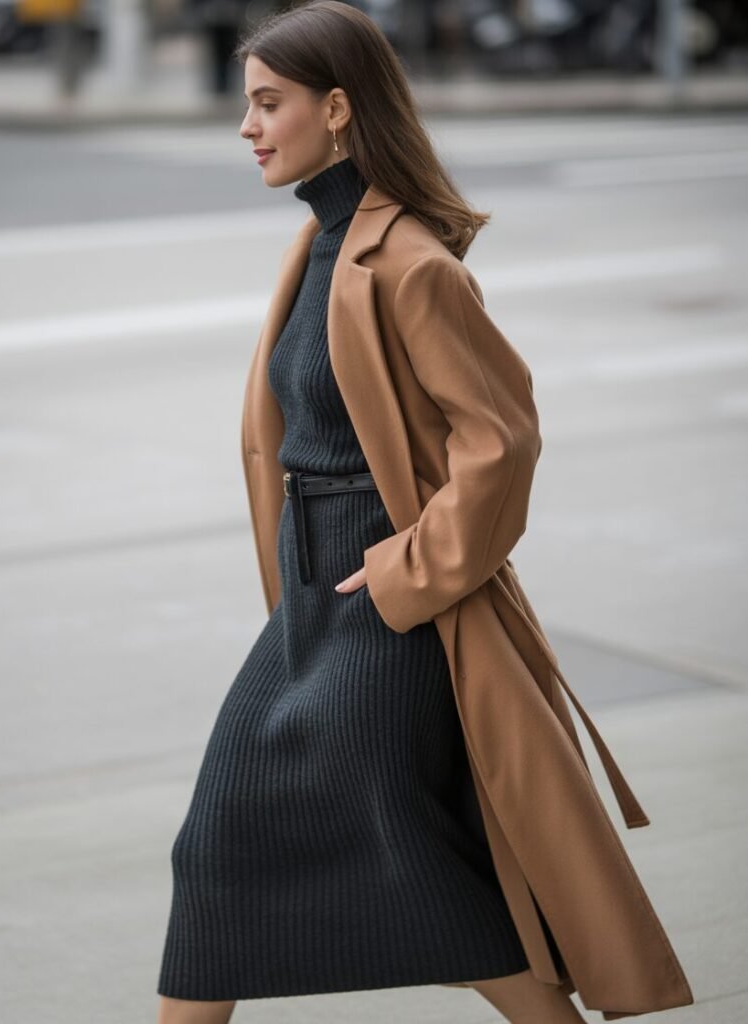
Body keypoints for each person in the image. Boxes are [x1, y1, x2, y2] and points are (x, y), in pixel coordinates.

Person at [156, 4, 692, 1024]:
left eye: (269, 103)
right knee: (318, 850)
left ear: (341, 109)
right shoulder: (314, 246)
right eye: (247, 104)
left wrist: (407, 574)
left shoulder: (407, 263)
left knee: (244, 837)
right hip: (315, 599)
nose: (247, 126)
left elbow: (503, 441)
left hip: (382, 605)